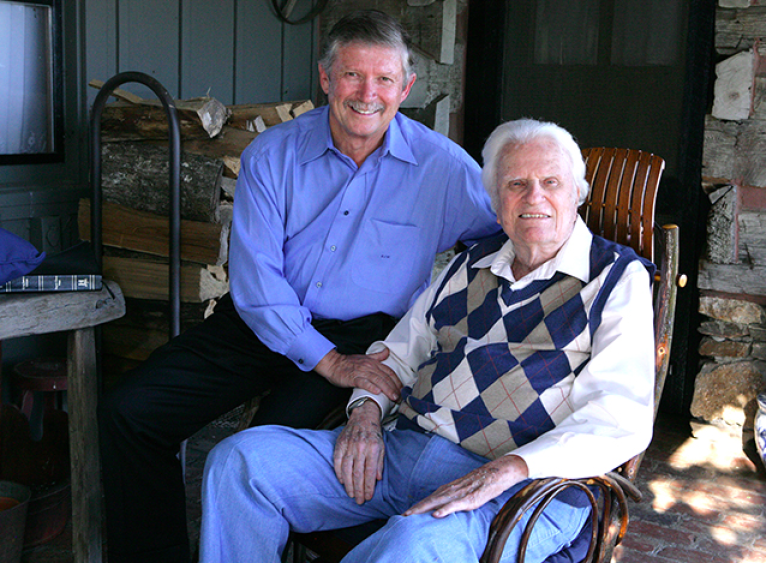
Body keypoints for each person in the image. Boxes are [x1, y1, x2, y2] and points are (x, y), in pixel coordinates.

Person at [97, 10, 499, 563]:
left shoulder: (444, 168)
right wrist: (327, 362)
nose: (367, 94)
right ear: (326, 78)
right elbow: (257, 282)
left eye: (384, 79)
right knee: (130, 411)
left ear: (404, 88)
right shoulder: (272, 154)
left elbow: (510, 237)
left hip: (364, 334)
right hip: (262, 322)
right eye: (353, 75)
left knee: (260, 451)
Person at [198, 118, 657, 563]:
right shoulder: (467, 267)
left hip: (521, 487)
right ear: (496, 204)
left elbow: (620, 418)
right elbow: (397, 354)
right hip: (405, 454)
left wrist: (506, 470)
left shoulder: (615, 279)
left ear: (577, 193)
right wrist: (365, 414)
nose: (534, 197)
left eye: (551, 182)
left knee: (412, 546)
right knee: (241, 462)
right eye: (516, 184)